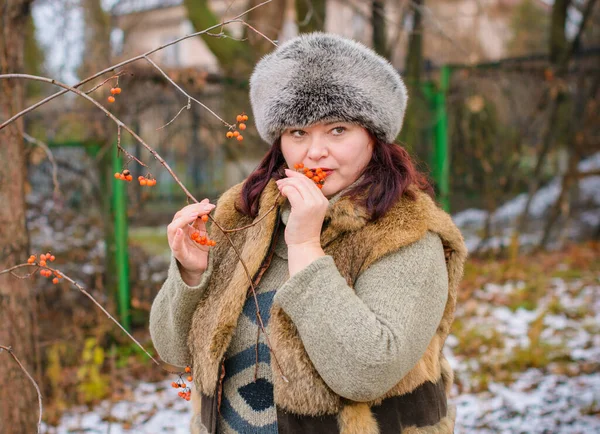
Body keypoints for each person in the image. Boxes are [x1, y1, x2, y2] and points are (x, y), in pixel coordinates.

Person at [150, 32, 467, 434]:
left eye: (337, 130)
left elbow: (366, 372)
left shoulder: (406, 233)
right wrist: (191, 275)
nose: (314, 152)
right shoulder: (242, 214)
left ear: (373, 136)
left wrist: (304, 245)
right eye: (298, 132)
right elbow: (173, 350)